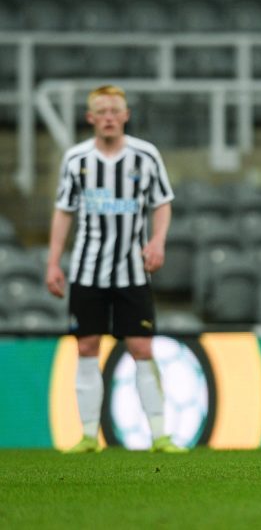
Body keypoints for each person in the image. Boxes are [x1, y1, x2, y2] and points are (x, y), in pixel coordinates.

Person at [45, 85, 185, 454]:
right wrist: (53, 262)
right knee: (87, 346)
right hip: (88, 270)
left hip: (132, 271)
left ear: (125, 115)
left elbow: (163, 203)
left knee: (141, 346)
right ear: (90, 118)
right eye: (101, 111)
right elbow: (64, 211)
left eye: (114, 110)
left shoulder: (145, 156)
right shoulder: (76, 159)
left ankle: (159, 434)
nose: (108, 117)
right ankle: (89, 435)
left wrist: (158, 241)